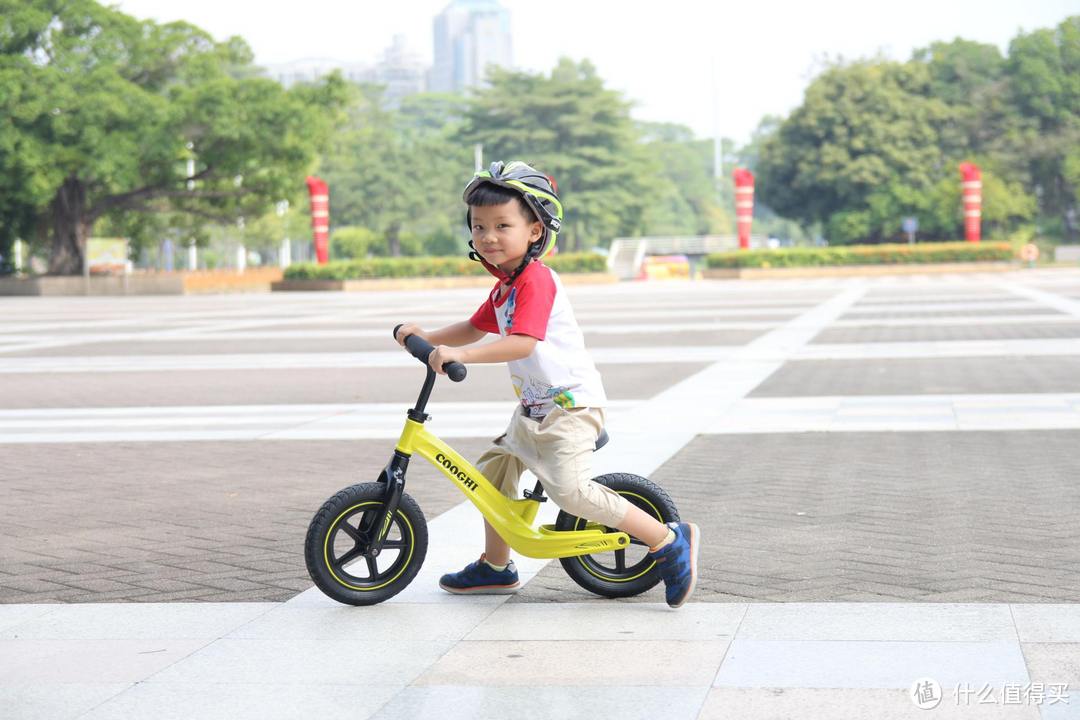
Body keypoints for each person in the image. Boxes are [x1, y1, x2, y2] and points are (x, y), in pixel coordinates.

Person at [394, 161, 699, 608]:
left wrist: (460, 356)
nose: (488, 236)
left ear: (535, 230)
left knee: (570, 491)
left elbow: (521, 343)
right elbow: (475, 327)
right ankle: (496, 568)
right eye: (479, 227)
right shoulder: (505, 288)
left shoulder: (535, 280)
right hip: (536, 411)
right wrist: (425, 337)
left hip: (571, 408)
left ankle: (667, 539)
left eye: (502, 225)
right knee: (491, 476)